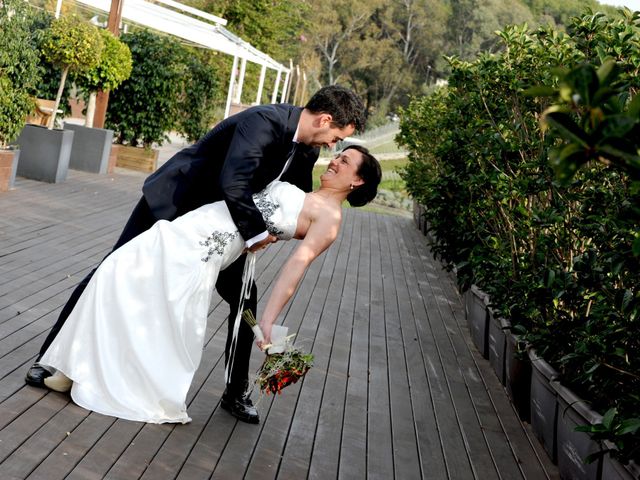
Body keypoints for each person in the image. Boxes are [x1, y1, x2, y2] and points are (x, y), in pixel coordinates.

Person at [25, 85, 365, 424]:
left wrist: (284, 226)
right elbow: (235, 180)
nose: (332, 146)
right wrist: (259, 232)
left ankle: (236, 390)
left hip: (223, 233)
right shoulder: (264, 122)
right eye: (336, 137)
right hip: (176, 204)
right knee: (111, 268)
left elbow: (292, 198)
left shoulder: (306, 151)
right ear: (324, 120)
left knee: (245, 300)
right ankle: (50, 358)